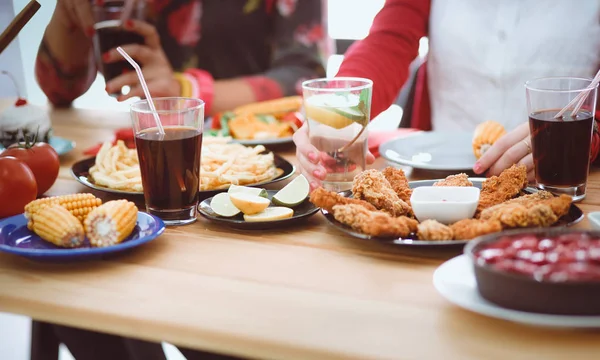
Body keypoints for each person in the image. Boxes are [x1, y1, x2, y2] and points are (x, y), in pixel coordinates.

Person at [293, 0, 600, 189]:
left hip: (566, 179)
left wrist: (589, 136)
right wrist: (334, 111)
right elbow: (388, 41)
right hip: (437, 180)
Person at [35, 0, 327, 116]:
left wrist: (184, 91)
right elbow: (59, 91)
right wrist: (67, 14)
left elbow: (306, 79)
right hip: (148, 152)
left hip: (259, 157)